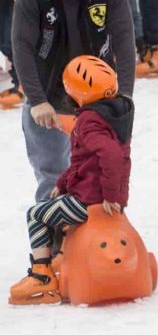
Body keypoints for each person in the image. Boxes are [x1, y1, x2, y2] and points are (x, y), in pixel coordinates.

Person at [12, 0, 136, 202]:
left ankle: (94, 241)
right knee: (52, 173)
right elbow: (22, 47)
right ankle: (52, 240)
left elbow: (124, 39)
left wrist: (125, 92)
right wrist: (37, 99)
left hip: (95, 95)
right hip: (48, 94)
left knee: (97, 172)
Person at [8, 56, 133, 306]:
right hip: (98, 194)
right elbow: (83, 161)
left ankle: (41, 276)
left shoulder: (89, 121)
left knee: (36, 214)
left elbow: (109, 154)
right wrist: (63, 183)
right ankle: (65, 256)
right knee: (55, 206)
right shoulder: (115, 113)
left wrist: (110, 196)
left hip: (89, 200)